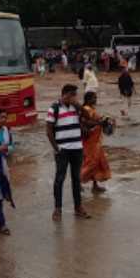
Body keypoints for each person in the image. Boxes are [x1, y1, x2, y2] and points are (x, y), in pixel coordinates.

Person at [46, 85, 91, 220]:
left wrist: (79, 106)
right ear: (65, 94)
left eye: (75, 95)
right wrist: (56, 148)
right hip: (63, 150)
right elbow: (49, 131)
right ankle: (57, 209)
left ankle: (78, 208)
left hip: (77, 148)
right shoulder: (54, 108)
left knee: (76, 179)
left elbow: (87, 117)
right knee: (60, 179)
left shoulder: (76, 108)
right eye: (72, 95)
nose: (74, 97)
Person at [80, 92, 112, 193]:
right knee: (91, 163)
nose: (95, 99)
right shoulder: (86, 109)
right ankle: (78, 182)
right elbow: (86, 122)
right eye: (94, 98)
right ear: (88, 99)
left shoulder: (91, 108)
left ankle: (95, 186)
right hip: (90, 142)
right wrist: (100, 122)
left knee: (97, 164)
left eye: (96, 97)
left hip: (96, 141)